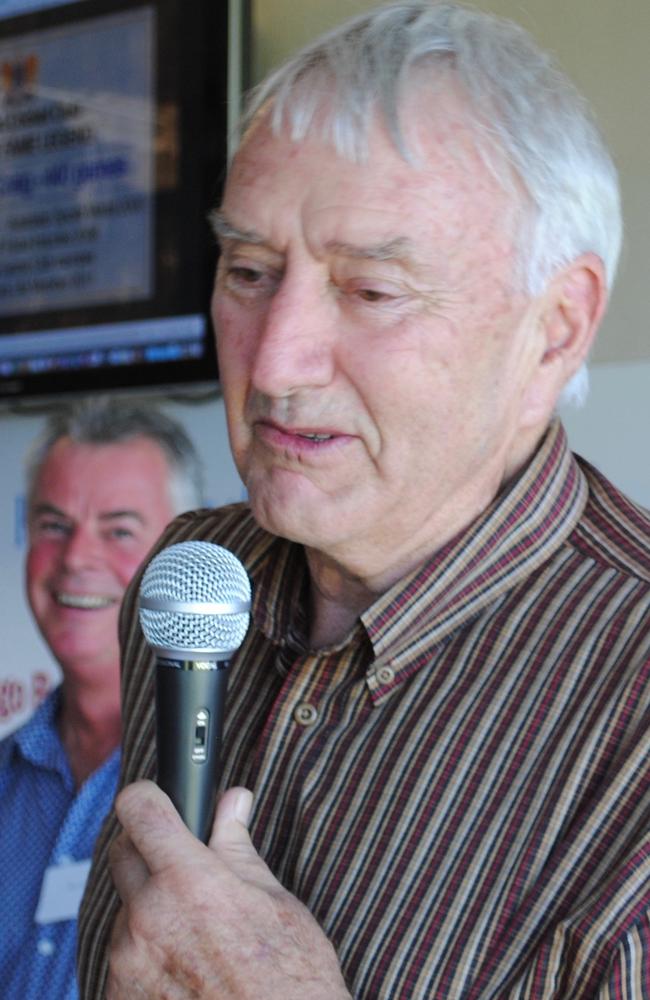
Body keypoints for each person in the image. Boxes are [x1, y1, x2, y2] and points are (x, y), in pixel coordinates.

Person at [79, 4, 649, 997]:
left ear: (554, 331)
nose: (275, 361)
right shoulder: (190, 585)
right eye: (248, 271)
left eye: (371, 290)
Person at [0, 396, 204, 1000]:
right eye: (54, 526)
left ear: (183, 559)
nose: (76, 559)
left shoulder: (227, 780)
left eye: (118, 530)